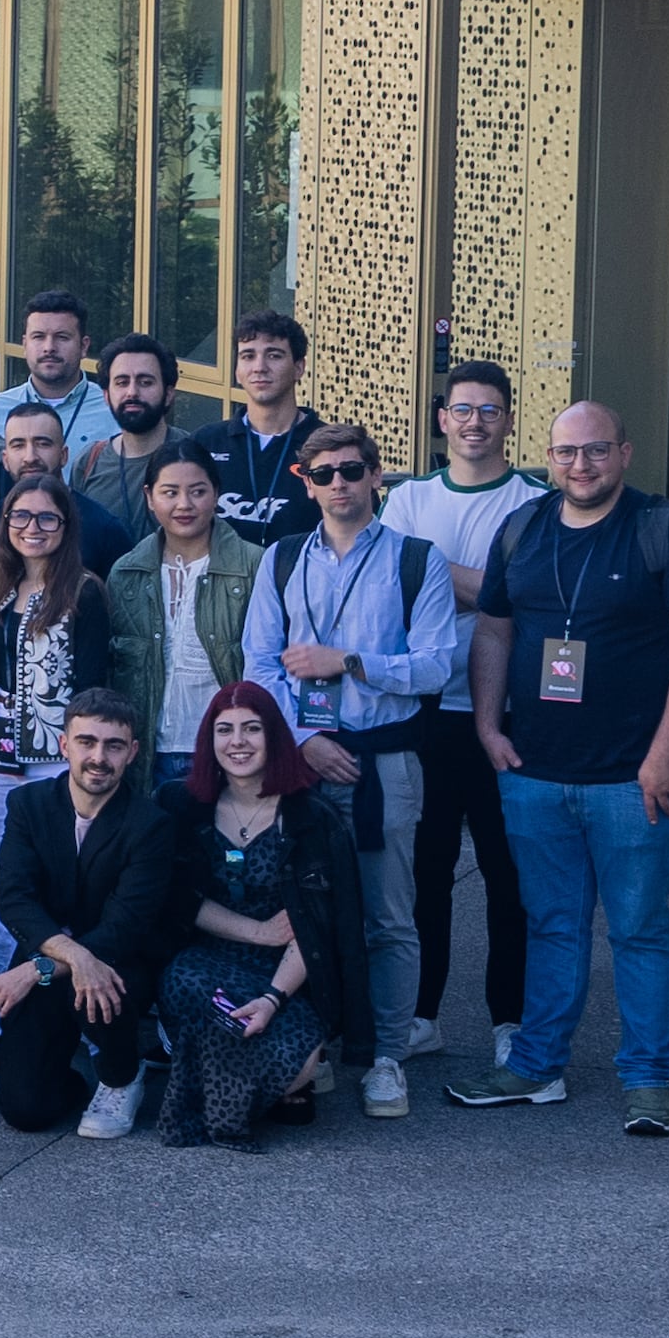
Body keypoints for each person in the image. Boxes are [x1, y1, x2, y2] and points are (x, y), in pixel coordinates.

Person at [449, 401, 669, 1133]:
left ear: (625, 453)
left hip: (635, 780)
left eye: (597, 451)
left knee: (639, 929)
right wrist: (486, 726)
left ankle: (648, 1079)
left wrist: (666, 755)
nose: (581, 465)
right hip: (535, 772)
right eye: (567, 452)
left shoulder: (664, 531)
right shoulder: (523, 528)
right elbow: (495, 631)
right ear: (548, 455)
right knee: (552, 925)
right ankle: (536, 1066)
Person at [240, 421, 462, 1118]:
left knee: (388, 913)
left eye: (352, 469)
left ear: (375, 476)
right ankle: (319, 1043)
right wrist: (303, 739)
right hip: (302, 763)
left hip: (384, 759)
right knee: (304, 910)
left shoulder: (417, 560)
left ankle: (388, 1054)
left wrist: (351, 662)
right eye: (325, 472)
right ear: (305, 482)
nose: (339, 483)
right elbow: (259, 665)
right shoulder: (279, 559)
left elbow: (434, 665)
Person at [385, 359, 545, 1048]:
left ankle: (510, 1020)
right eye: (462, 409)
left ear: (509, 419)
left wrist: (434, 574)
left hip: (511, 717)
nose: (474, 421)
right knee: (426, 874)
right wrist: (487, 584)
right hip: (425, 713)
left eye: (489, 409)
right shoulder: (410, 499)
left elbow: (532, 597)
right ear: (442, 418)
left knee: (513, 879)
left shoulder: (535, 500)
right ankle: (422, 1016)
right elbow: (388, 586)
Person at [159, 683, 364, 1146]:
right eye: (225, 730)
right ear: (208, 742)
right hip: (208, 962)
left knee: (300, 1061)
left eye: (252, 729)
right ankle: (248, 1092)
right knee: (184, 981)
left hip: (288, 970)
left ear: (274, 736)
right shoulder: (184, 806)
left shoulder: (312, 818)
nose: (238, 742)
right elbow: (178, 900)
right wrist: (259, 932)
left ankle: (250, 1082)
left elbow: (319, 925)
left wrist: (272, 999)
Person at [0, 689, 195, 1136]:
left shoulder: (150, 824)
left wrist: (35, 969)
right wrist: (67, 960)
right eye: (87, 742)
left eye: (113, 745)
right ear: (64, 745)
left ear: (133, 752)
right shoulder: (29, 805)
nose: (99, 757)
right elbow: (14, 897)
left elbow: (124, 928)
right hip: (49, 954)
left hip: (118, 962)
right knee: (25, 1111)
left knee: (101, 983)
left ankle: (121, 1075)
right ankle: (69, 1071)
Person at [0, 481, 116, 855]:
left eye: (47, 518)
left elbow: (92, 684)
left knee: (53, 856)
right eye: (21, 515)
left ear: (66, 527)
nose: (32, 527)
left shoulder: (84, 591)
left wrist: (81, 750)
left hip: (56, 752)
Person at [104, 450, 259, 760]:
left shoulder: (254, 564)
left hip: (229, 750)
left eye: (198, 492)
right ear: (149, 497)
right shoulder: (126, 573)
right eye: (170, 493)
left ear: (216, 494)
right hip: (148, 751)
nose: (184, 504)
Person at [192, 311, 321, 544]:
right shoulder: (204, 443)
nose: (259, 367)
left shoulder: (329, 448)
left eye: (274, 355)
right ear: (237, 371)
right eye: (248, 356)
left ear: (299, 368)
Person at [0, 408, 136, 575]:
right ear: (5, 459)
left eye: (43, 444)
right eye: (18, 445)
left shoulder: (106, 531)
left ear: (63, 455)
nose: (30, 457)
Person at [68, 335, 190, 533]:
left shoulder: (195, 455)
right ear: (106, 396)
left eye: (145, 382)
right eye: (122, 382)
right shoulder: (89, 463)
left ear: (168, 394)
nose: (132, 392)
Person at [0, 291, 110, 460]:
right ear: (25, 345)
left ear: (84, 347)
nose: (49, 347)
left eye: (62, 337)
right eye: (39, 337)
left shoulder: (112, 412)